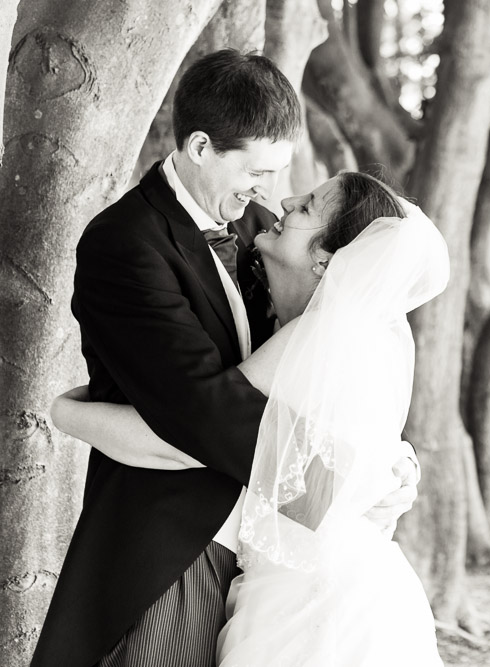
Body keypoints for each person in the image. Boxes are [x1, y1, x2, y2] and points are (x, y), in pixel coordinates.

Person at [31, 50, 418, 667]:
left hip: (268, 552)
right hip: (175, 543)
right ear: (202, 146)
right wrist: (339, 485)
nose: (270, 192)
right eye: (257, 170)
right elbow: (204, 415)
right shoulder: (125, 245)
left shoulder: (262, 229)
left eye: (278, 172)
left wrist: (382, 461)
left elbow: (324, 372)